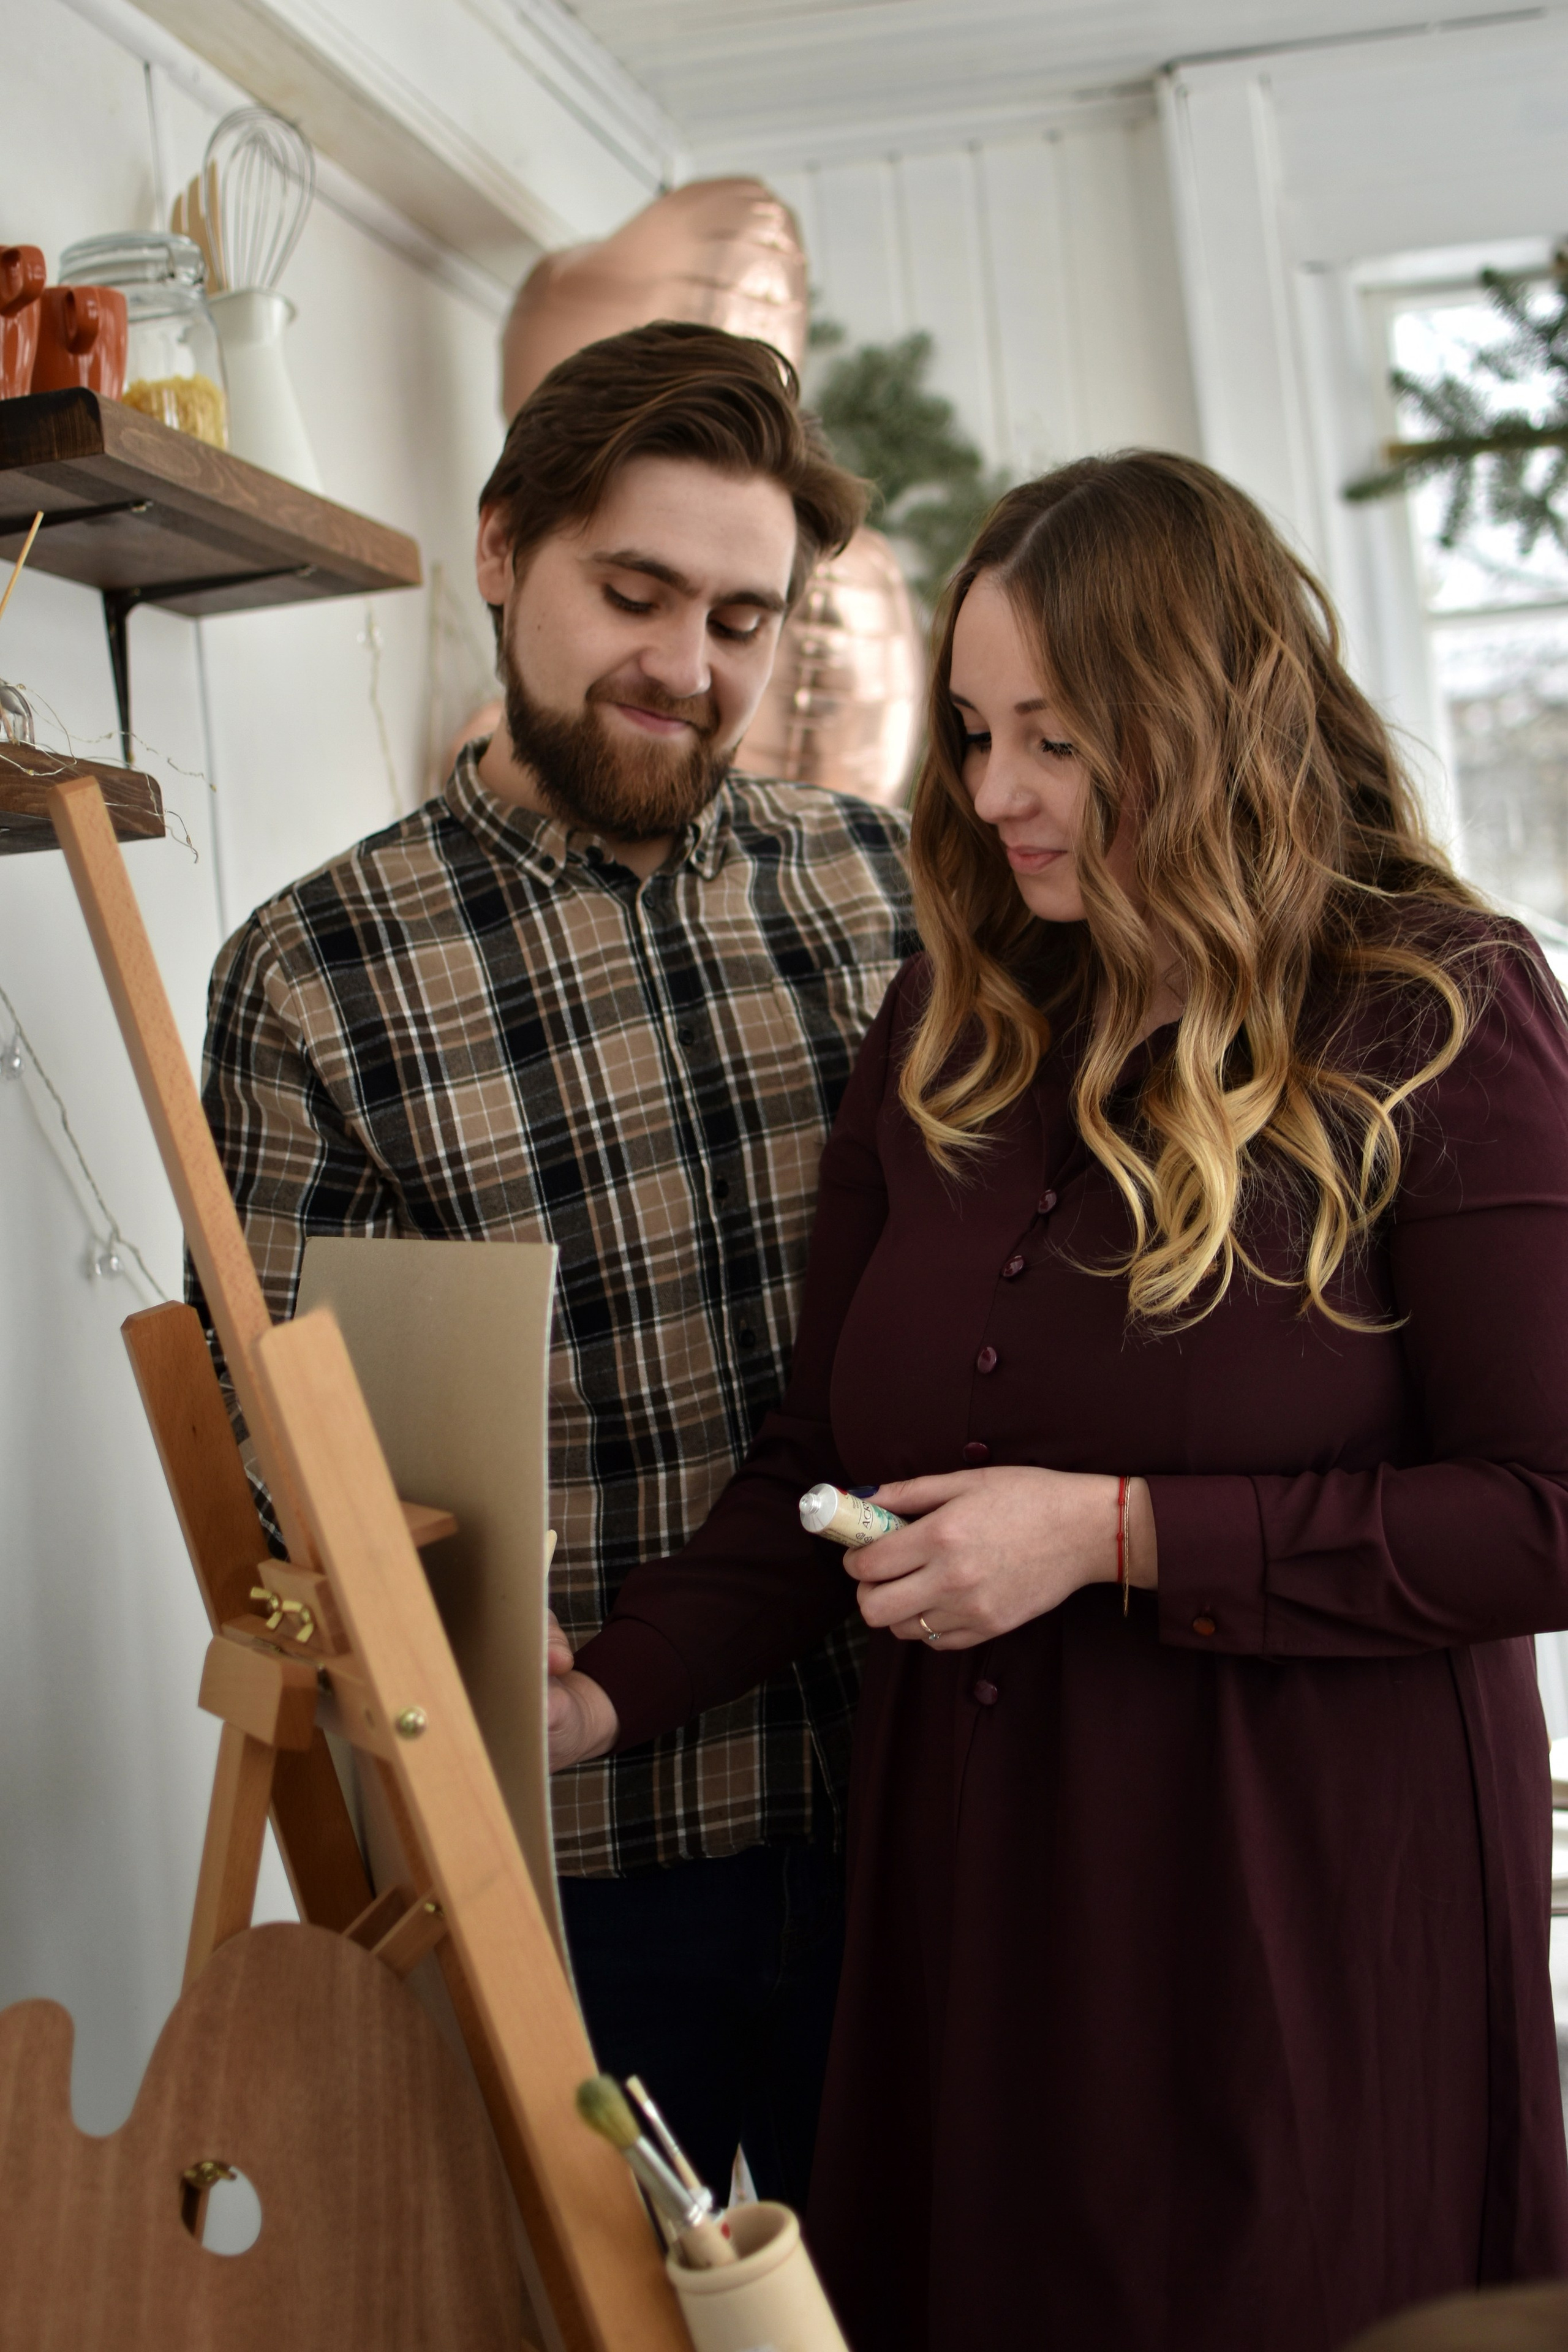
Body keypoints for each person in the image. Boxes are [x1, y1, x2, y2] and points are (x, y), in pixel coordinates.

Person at [549, 451, 1568, 2350]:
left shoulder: (1439, 1009)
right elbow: (824, 1474)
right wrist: (601, 1692)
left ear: (1208, 724)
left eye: (1063, 739)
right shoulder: (954, 1017)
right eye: (976, 730)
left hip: (1305, 1915)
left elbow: (1547, 1507)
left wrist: (1111, 1533)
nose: (1000, 792)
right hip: (982, 1905)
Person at [196, 321, 917, 2209]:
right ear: (506, 549)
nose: (688, 668)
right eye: (637, 592)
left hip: (921, 1817)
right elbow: (283, 1435)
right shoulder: (314, 973)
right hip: (586, 1863)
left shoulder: (885, 890)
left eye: (745, 621)